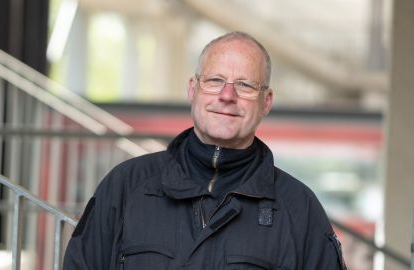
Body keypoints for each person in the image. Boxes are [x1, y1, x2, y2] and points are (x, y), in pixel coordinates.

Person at [63, 31, 347, 270]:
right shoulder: (126, 186)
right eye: (214, 81)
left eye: (245, 85)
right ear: (192, 89)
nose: (227, 96)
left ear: (266, 101)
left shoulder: (299, 208)